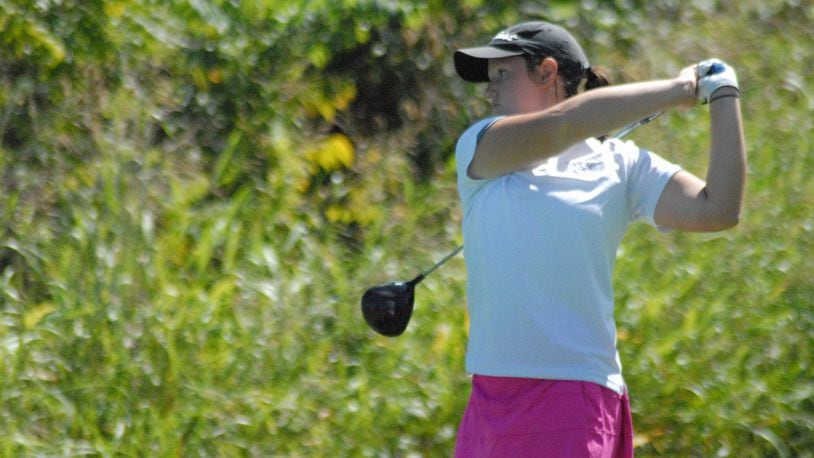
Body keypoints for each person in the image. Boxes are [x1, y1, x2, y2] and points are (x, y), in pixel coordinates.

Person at [451, 21, 745, 457]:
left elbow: (717, 208)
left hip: (575, 397)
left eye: (502, 75)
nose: (489, 92)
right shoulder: (480, 146)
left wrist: (722, 94)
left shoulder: (621, 164)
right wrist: (678, 88)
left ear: (547, 73)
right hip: (491, 397)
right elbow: (559, 127)